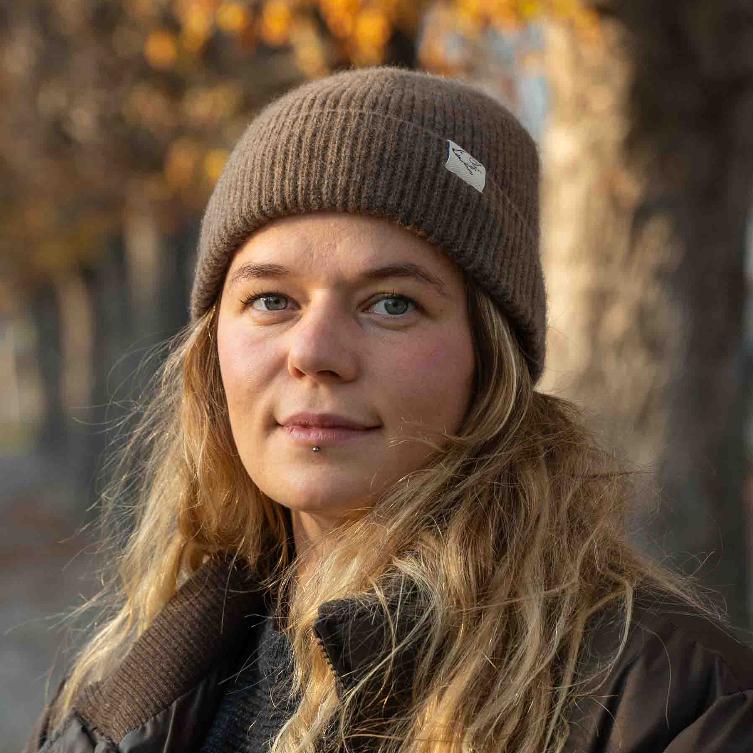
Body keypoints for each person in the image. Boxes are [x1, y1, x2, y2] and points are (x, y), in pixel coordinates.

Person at [24, 65, 753, 753]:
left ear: (488, 357)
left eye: (391, 302)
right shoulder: (128, 688)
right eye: (270, 299)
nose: (314, 351)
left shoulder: (676, 705)